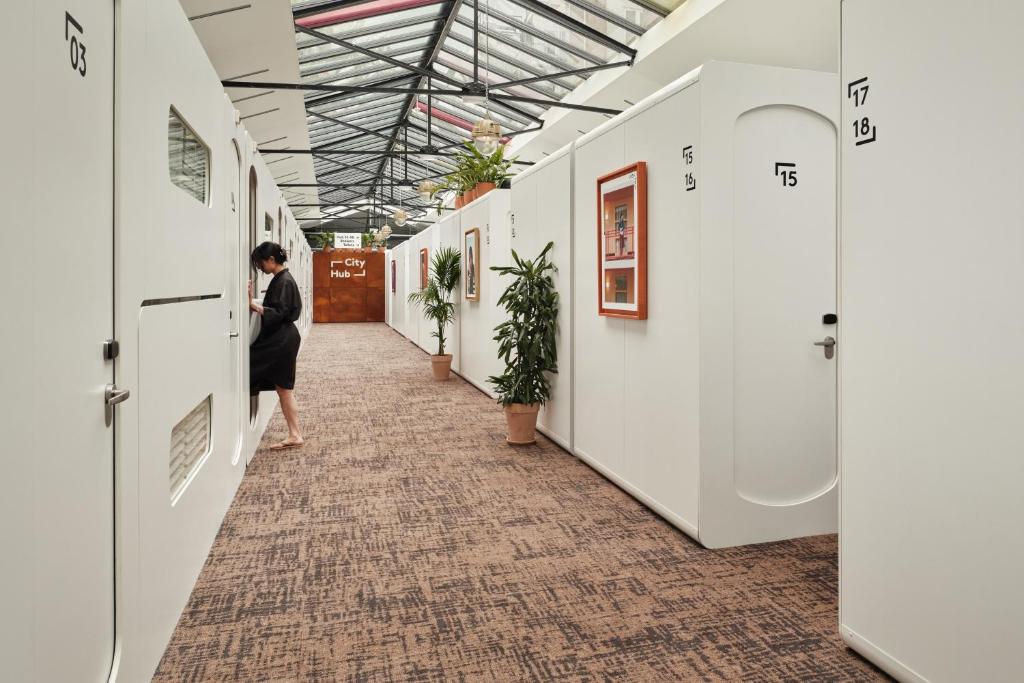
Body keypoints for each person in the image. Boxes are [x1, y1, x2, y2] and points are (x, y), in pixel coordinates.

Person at [248, 242, 304, 449]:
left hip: (282, 339)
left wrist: (253, 304)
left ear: (271, 260)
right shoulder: (282, 279)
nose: (260, 267)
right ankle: (295, 434)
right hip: (284, 338)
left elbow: (280, 312)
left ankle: (296, 434)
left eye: (261, 262)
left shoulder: (284, 281)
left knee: (281, 386)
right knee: (283, 388)